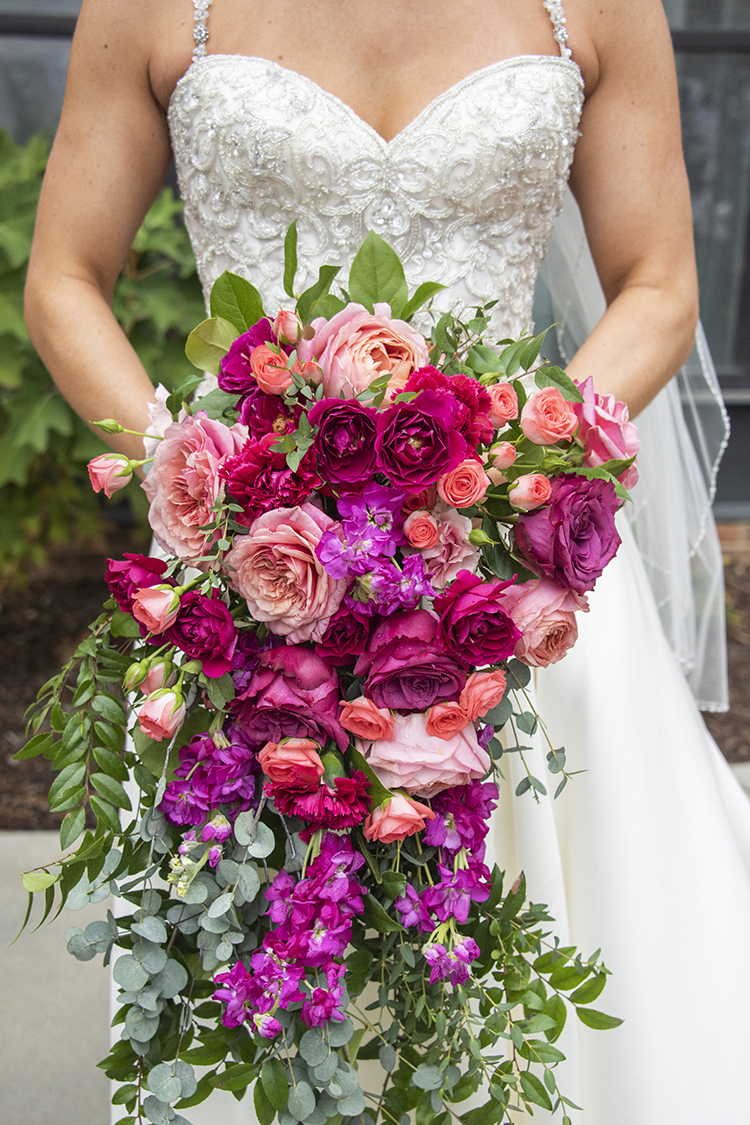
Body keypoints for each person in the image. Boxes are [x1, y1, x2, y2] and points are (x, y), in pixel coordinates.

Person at [23, 1, 750, 1122]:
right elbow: (65, 278)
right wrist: (207, 486)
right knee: (257, 950)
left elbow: (656, 283)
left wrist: (511, 468)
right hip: (255, 586)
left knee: (567, 968)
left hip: (510, 586)